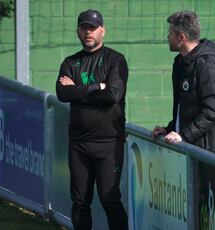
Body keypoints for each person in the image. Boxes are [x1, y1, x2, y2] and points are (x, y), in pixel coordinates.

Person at [56, 9, 128, 230]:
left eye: (93, 28)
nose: (88, 32)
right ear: (78, 31)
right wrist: (97, 87)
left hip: (108, 143)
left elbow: (114, 95)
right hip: (79, 143)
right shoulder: (70, 62)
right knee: (79, 202)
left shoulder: (115, 60)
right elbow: (62, 93)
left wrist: (78, 92)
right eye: (84, 27)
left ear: (102, 31)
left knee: (110, 201)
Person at [151, 10, 215, 159]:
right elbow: (187, 109)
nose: (167, 36)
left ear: (181, 37)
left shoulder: (208, 66)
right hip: (191, 151)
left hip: (211, 156)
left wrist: (184, 136)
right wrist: (169, 129)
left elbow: (214, 111)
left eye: (170, 33)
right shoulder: (181, 64)